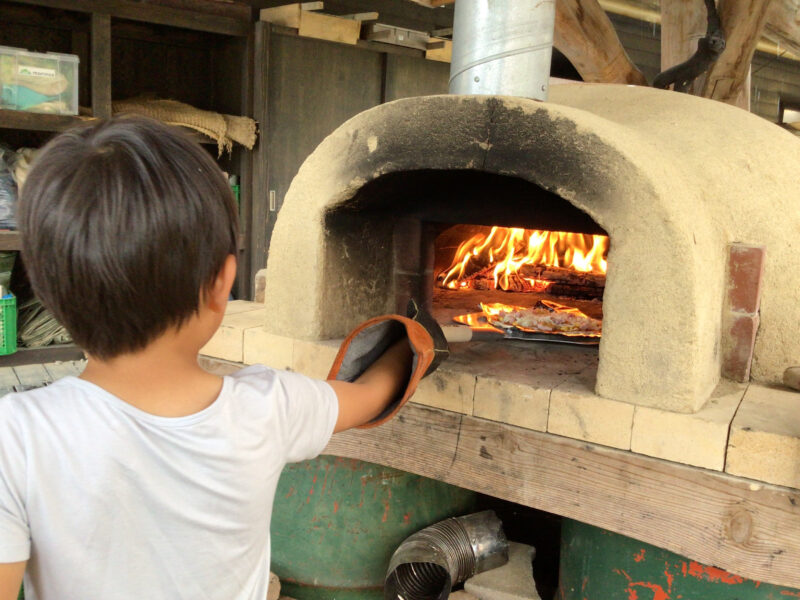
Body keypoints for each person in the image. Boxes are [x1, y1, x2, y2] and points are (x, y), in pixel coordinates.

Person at [0, 116, 444, 600]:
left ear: (44, 289)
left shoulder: (15, 437)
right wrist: (412, 338)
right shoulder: (269, 406)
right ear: (221, 285)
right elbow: (369, 394)